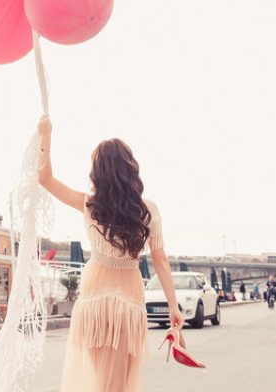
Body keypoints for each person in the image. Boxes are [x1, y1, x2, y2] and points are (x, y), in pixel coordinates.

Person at [37, 116, 185, 392]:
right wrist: (173, 306)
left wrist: (46, 136)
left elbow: (44, 179)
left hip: (93, 302)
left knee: (104, 382)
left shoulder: (90, 205)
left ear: (98, 172)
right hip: (127, 302)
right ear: (130, 169)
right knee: (117, 384)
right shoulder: (148, 210)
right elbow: (160, 261)